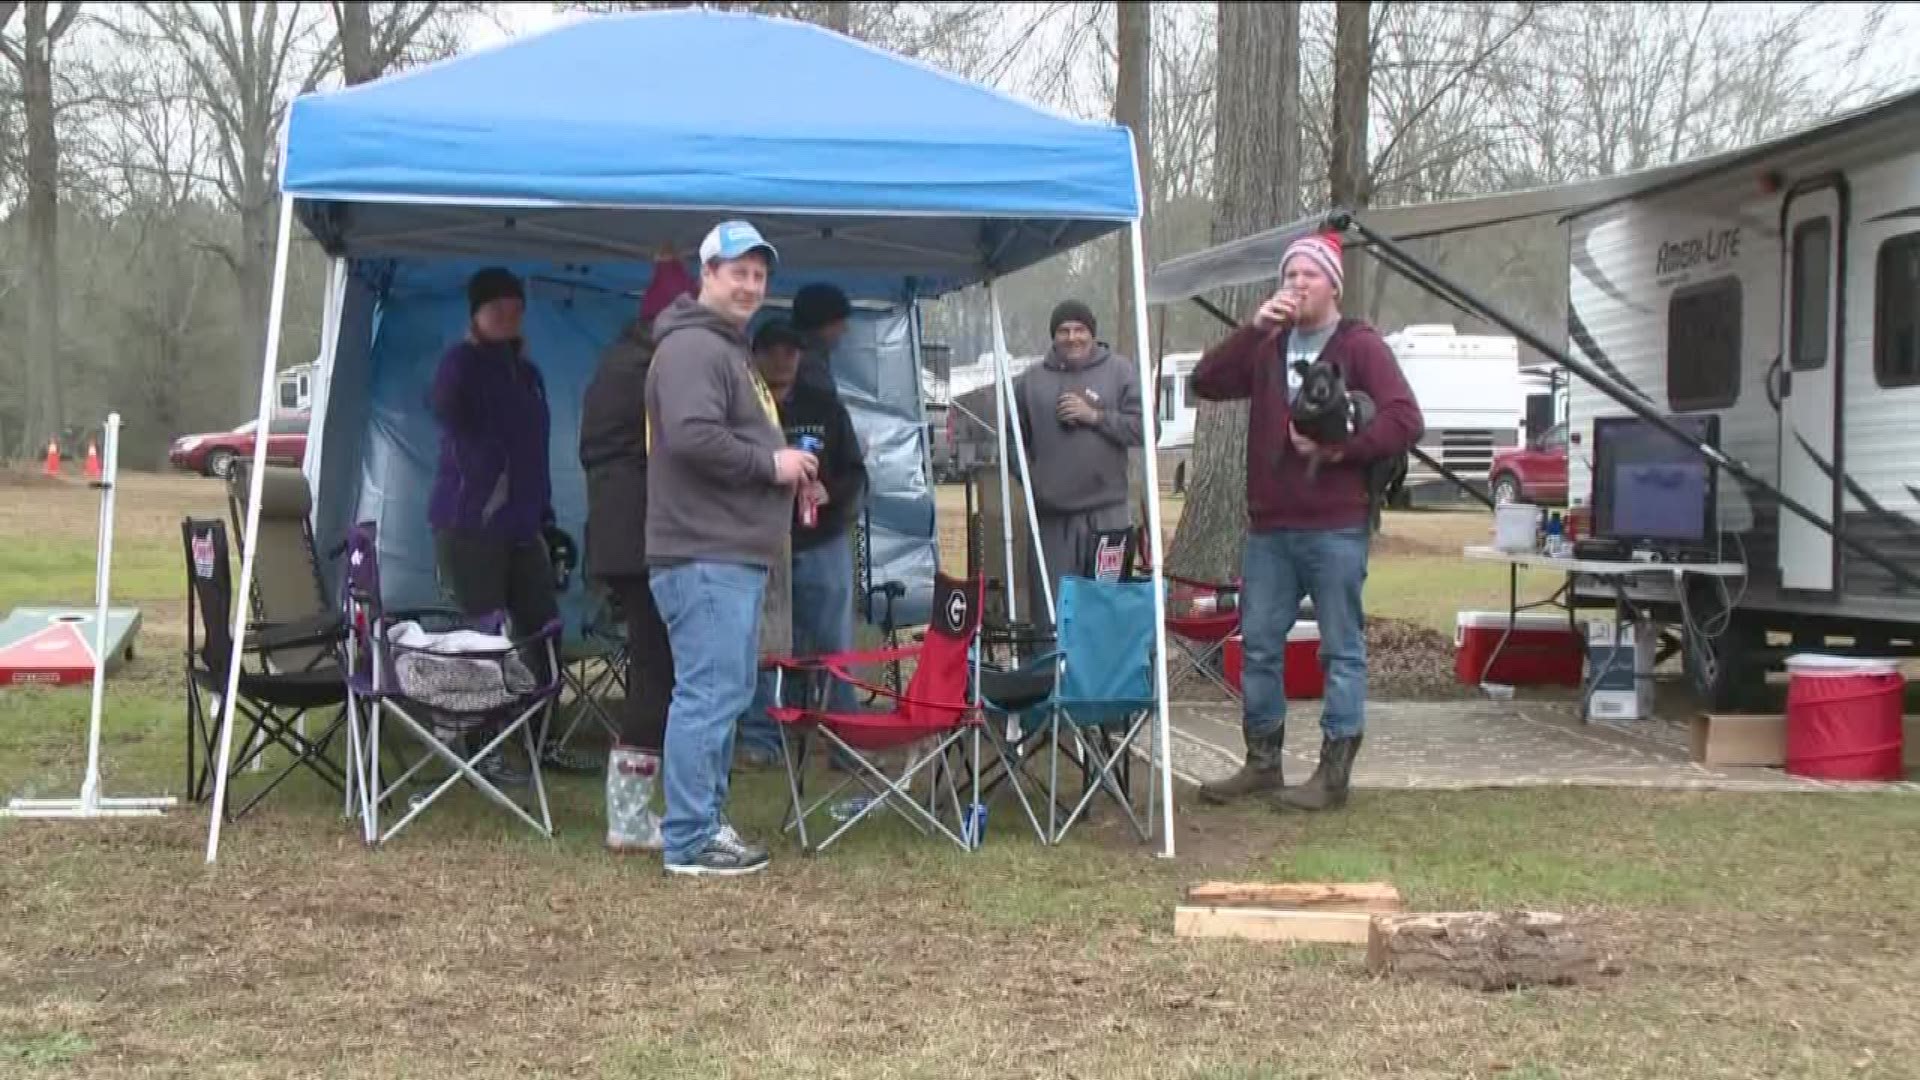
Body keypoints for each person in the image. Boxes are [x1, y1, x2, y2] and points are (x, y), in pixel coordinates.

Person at [1189, 231, 1423, 812]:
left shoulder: (1359, 345)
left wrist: (1345, 451)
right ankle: (1262, 762)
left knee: (1340, 648)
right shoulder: (1268, 346)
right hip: (1270, 526)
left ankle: (1332, 774)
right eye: (1289, 275)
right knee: (1261, 644)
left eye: (1307, 276)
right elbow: (1206, 381)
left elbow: (1406, 419)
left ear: (1332, 284)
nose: (1296, 285)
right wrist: (1254, 328)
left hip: (1335, 523)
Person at [646, 220, 818, 876]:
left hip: (728, 552)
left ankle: (703, 822)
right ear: (707, 274)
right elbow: (691, 437)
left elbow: (730, 439)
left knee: (723, 689)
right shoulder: (694, 347)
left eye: (759, 274)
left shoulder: (727, 347)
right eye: (737, 271)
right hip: (703, 553)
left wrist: (792, 470)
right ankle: (690, 839)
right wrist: (770, 466)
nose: (750, 285)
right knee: (710, 692)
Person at [427, 267, 567, 785]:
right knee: (480, 639)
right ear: (476, 313)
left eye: (515, 305)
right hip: (470, 523)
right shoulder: (460, 363)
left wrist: (546, 518)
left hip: (524, 525)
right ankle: (477, 744)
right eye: (496, 307)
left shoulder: (528, 374)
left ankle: (542, 737)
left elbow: (536, 453)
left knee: (544, 630)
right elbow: (444, 410)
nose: (507, 314)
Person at [579, 246, 696, 853]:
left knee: (653, 668)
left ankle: (632, 812)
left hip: (616, 538)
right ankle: (627, 819)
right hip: (645, 538)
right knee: (658, 672)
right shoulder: (652, 370)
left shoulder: (614, 363)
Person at [735, 319, 868, 767]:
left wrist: (830, 489)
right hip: (761, 542)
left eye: (789, 350)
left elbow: (856, 473)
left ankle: (844, 740)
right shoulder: (741, 407)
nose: (781, 358)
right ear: (754, 355)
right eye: (771, 350)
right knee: (763, 644)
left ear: (800, 356)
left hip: (820, 539)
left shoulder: (826, 406)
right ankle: (760, 738)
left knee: (834, 645)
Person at [1013, 299, 1143, 629]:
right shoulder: (1031, 382)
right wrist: (1034, 483)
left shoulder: (1119, 371)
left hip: (1107, 517)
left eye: (1080, 330)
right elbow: (1012, 443)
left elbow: (1145, 429)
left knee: (1106, 611)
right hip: (1052, 521)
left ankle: (1104, 679)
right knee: (1052, 614)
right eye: (1064, 330)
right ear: (1054, 336)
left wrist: (1095, 416)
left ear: (1092, 333)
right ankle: (1052, 677)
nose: (1072, 337)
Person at [789, 282, 853, 400]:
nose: (844, 330)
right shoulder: (809, 367)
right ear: (822, 323)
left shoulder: (812, 358)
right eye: (838, 323)